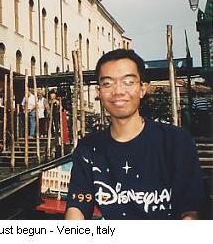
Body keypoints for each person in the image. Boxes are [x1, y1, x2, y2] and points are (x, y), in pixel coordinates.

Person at [65, 49, 205, 220]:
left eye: (128, 82)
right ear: (98, 92)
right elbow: (77, 207)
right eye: (108, 83)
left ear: (142, 89)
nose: (118, 91)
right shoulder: (88, 149)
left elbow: (191, 210)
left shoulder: (176, 142)